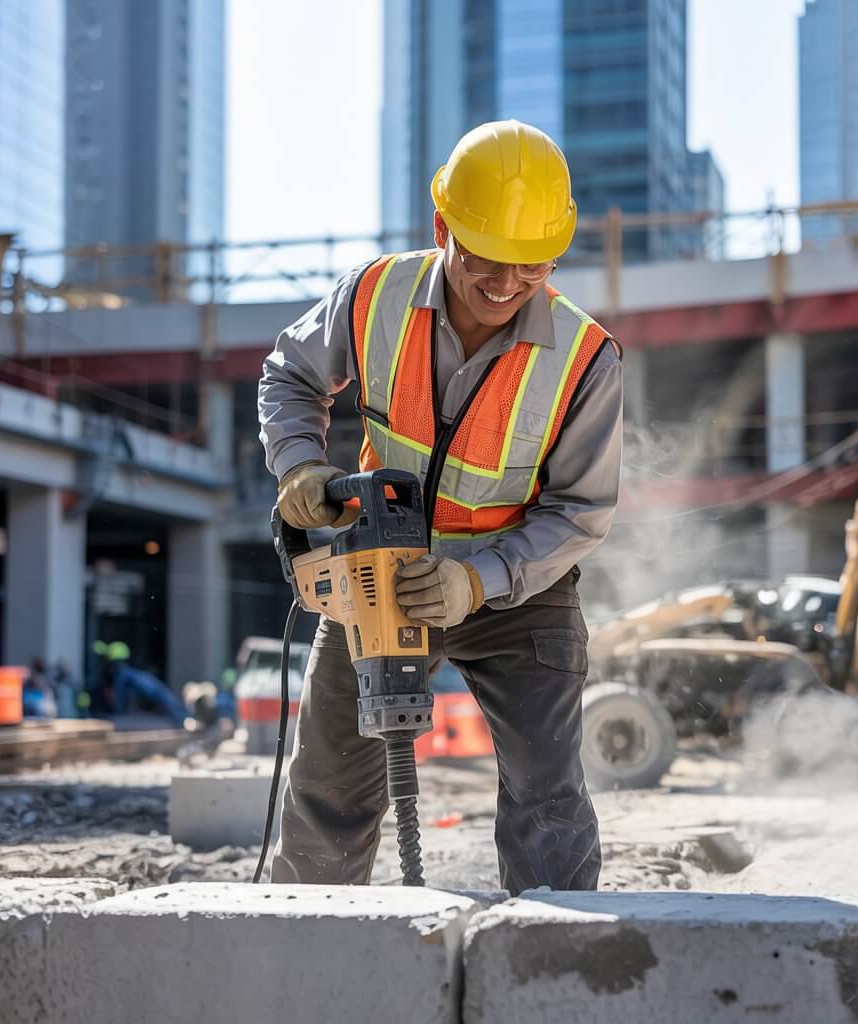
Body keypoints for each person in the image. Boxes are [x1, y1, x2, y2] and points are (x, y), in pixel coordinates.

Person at [258, 120, 623, 894]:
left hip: (519, 591)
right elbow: (290, 372)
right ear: (441, 227)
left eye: (532, 264)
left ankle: (553, 952)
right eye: (485, 255)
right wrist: (299, 465)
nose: (507, 282)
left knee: (547, 799)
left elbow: (580, 511)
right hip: (379, 573)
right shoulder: (375, 297)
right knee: (328, 789)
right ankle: (306, 940)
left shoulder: (585, 357)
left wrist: (476, 579)